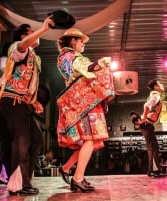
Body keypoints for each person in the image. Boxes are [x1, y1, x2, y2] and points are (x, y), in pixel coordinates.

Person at [0, 17, 55, 195]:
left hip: (20, 102)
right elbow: (23, 44)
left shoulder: (33, 57)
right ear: (24, 36)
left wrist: (34, 102)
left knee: (36, 139)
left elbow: (25, 84)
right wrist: (43, 29)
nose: (33, 35)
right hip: (10, 99)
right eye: (30, 33)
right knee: (22, 139)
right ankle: (18, 183)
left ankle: (22, 178)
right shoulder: (18, 48)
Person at [56, 28, 114, 192]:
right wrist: (101, 63)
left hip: (78, 101)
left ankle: (66, 168)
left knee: (94, 142)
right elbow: (87, 69)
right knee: (90, 139)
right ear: (73, 41)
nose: (83, 44)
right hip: (84, 101)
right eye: (81, 41)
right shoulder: (72, 56)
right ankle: (78, 178)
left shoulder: (64, 57)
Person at [130, 79, 167, 178]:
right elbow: (147, 106)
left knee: (153, 148)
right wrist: (144, 119)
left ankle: (154, 170)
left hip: (146, 124)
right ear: (155, 87)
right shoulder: (156, 95)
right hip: (146, 123)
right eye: (160, 84)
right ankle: (154, 170)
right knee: (153, 148)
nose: (162, 85)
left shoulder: (154, 95)